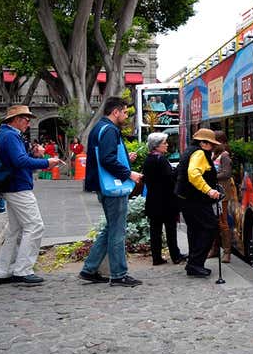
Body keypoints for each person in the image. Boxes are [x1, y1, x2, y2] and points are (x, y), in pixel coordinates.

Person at [79, 97, 143, 287]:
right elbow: (107, 159)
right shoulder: (110, 130)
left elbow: (105, 157)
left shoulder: (99, 128)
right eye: (124, 112)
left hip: (103, 185)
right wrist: (129, 173)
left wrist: (125, 158)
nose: (126, 115)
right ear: (115, 112)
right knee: (117, 231)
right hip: (113, 188)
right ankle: (118, 274)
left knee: (110, 229)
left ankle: (89, 269)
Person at [0, 106, 59, 285]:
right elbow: (19, 161)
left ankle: (5, 271)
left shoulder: (7, 135)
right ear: (15, 119)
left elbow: (17, 159)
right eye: (25, 119)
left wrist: (34, 154)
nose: (28, 122)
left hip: (12, 185)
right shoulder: (10, 135)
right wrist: (46, 162)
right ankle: (22, 270)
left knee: (15, 230)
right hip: (18, 186)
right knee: (35, 226)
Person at [176, 128, 222, 277]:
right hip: (197, 200)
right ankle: (196, 263)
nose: (213, 147)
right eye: (211, 144)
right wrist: (209, 190)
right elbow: (193, 174)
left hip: (186, 199)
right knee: (210, 227)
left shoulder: (189, 151)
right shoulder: (199, 153)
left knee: (195, 230)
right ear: (203, 143)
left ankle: (193, 264)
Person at [142, 133, 187, 266]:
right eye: (164, 142)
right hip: (166, 201)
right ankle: (175, 255)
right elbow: (170, 178)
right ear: (156, 146)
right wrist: (179, 168)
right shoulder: (160, 159)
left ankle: (156, 257)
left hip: (153, 200)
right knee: (170, 230)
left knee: (155, 231)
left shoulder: (148, 159)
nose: (167, 144)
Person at [210, 130, 234, 263]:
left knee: (223, 223)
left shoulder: (224, 155)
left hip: (222, 194)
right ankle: (215, 249)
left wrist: (211, 176)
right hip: (213, 193)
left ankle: (227, 252)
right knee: (215, 222)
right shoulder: (215, 154)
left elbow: (227, 173)